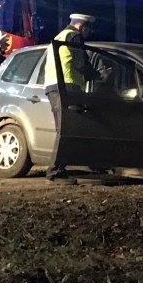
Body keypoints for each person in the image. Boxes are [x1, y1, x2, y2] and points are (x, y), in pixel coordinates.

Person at [43, 13, 102, 183]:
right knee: (67, 129)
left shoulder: (59, 36)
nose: (89, 32)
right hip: (67, 86)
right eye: (88, 28)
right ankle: (55, 172)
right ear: (80, 26)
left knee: (66, 129)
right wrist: (97, 74)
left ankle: (63, 169)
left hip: (54, 86)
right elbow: (81, 64)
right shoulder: (73, 36)